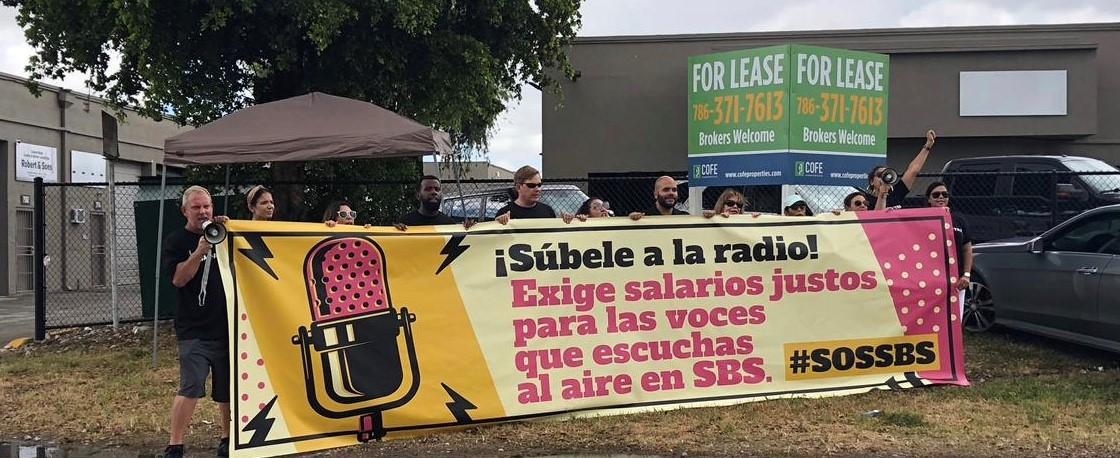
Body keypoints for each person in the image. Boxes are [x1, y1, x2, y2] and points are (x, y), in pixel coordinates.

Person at [161, 186, 230, 458]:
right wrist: (200, 250)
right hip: (194, 330)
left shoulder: (225, 235)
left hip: (225, 326)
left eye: (207, 206)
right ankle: (175, 444)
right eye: (196, 207)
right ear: (184, 211)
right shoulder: (176, 240)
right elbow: (178, 279)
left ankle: (227, 439)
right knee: (191, 386)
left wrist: (231, 226)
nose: (203, 212)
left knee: (226, 389)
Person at [867, 129, 937, 209]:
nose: (884, 179)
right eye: (880, 175)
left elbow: (913, 171)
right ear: (872, 181)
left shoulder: (896, 193)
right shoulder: (866, 200)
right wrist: (882, 194)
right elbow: (878, 217)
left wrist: (928, 145)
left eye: (886, 174)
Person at [926, 181, 973, 292]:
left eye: (945, 194)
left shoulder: (958, 219)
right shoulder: (923, 220)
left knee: (956, 309)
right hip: (930, 278)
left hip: (956, 279)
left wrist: (966, 275)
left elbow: (967, 249)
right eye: (936, 195)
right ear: (929, 199)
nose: (941, 197)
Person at [495, 166, 576, 224]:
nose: (537, 189)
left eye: (539, 185)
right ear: (518, 187)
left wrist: (566, 221)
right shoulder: (504, 214)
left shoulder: (548, 211)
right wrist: (499, 224)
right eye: (531, 185)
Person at [394, 175, 476, 230]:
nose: (434, 192)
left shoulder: (449, 224)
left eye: (437, 189)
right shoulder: (405, 222)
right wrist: (395, 232)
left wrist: (470, 230)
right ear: (418, 195)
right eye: (428, 189)